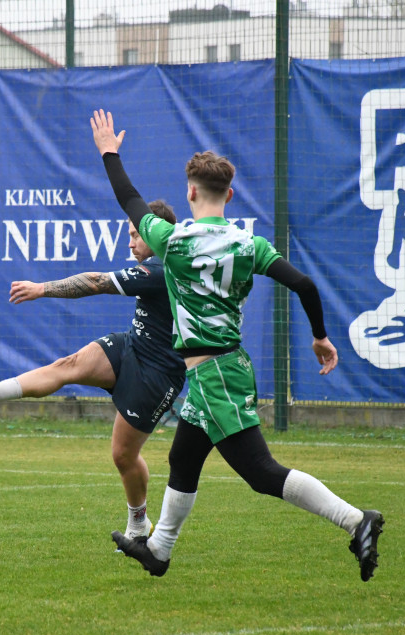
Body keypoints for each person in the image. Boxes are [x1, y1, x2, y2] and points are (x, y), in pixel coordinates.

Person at [90, 109, 384, 582]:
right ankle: (159, 549)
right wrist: (320, 337)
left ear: (189, 193)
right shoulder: (250, 245)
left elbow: (129, 198)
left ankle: (356, 520)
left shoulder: (174, 241)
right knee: (183, 458)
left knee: (262, 473)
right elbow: (305, 284)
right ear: (229, 195)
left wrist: (109, 152)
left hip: (215, 374)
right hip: (223, 368)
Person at [0, 200, 188, 541]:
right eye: (130, 234)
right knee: (68, 365)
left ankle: (139, 522)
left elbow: (95, 282)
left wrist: (41, 289)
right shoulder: (154, 266)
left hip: (157, 374)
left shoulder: (162, 270)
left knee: (123, 455)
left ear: (157, 234)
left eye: (137, 234)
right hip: (134, 346)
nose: (131, 242)